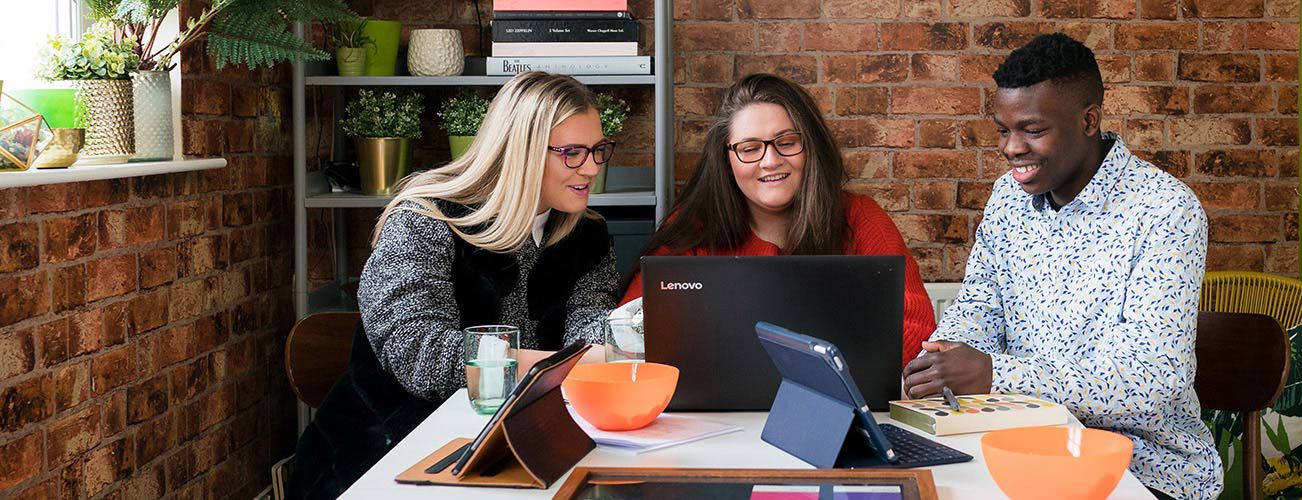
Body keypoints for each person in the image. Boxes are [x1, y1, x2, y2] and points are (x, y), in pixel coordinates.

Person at [899, 34, 1222, 499]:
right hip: (1016, 450)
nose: (1012, 148)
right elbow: (977, 308)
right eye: (1003, 130)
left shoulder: (1164, 211)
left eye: (1032, 130)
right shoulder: (1009, 198)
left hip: (1142, 469)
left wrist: (994, 374)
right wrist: (944, 361)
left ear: (1089, 120)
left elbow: (1152, 384)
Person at [290, 72, 621, 499]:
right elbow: (420, 351)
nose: (591, 168)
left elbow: (591, 321)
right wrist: (553, 365)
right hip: (385, 456)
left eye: (597, 150)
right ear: (519, 151)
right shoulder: (426, 218)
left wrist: (610, 339)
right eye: (572, 153)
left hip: (511, 456)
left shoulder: (585, 233)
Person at [618, 73, 936, 364]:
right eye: (749, 148)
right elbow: (628, 329)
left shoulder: (860, 217)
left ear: (809, 146)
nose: (770, 161)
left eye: (786, 143)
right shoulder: (692, 229)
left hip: (832, 405)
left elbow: (916, 327)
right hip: (712, 418)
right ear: (726, 160)